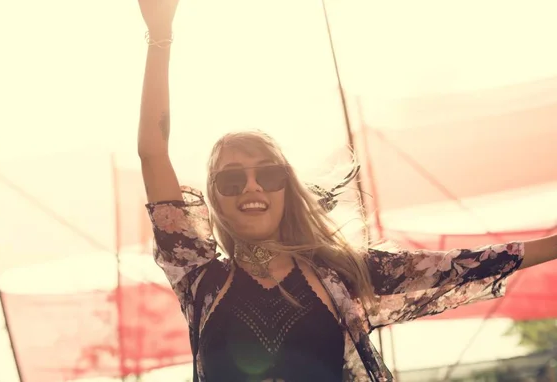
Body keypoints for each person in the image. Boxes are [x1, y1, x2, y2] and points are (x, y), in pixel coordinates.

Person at [137, 1, 557, 381]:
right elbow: (153, 155)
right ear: (213, 199)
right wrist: (160, 35)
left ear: (287, 189)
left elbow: (464, 264)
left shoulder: (343, 275)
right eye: (232, 179)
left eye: (268, 175)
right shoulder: (198, 276)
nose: (252, 187)